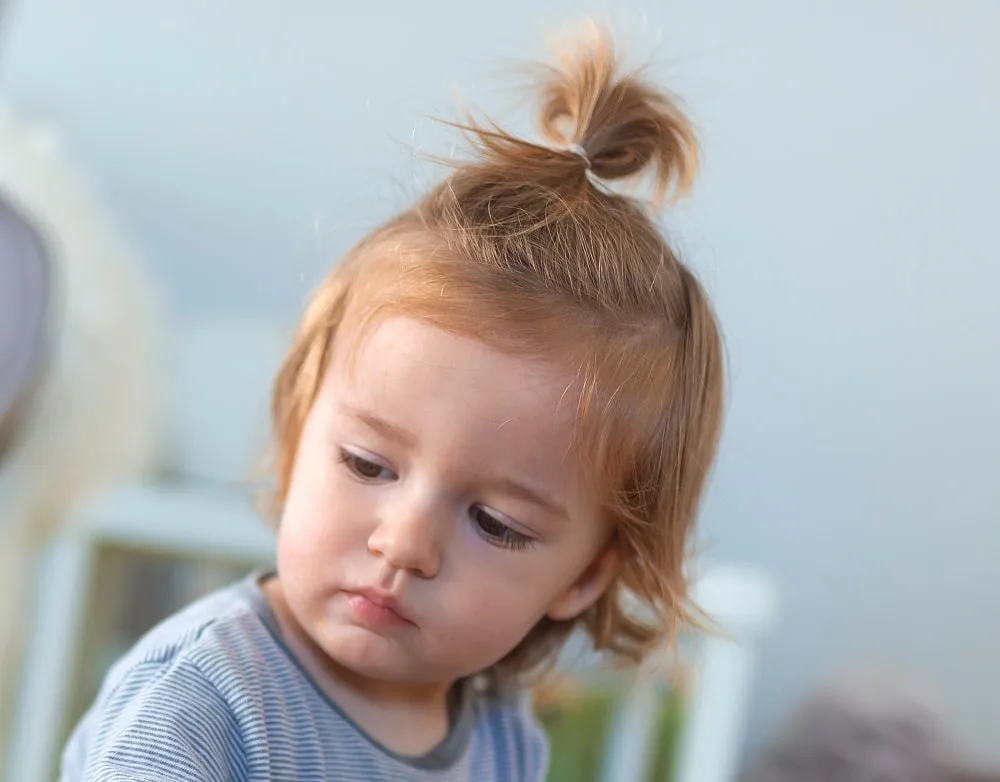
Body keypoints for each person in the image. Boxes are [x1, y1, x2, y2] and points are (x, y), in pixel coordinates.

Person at [59, 22, 724, 782]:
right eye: (368, 464)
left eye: (495, 523)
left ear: (582, 580)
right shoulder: (207, 702)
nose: (405, 544)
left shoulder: (503, 744)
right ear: (298, 429)